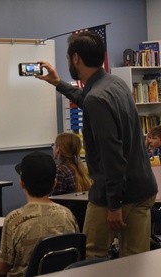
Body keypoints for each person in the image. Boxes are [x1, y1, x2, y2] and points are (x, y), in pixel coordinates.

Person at [37, 31, 158, 258]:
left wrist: (114, 205)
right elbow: (88, 99)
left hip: (115, 195)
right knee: (136, 261)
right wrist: (58, 83)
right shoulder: (115, 83)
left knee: (92, 257)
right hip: (142, 189)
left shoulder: (96, 98)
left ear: (76, 59)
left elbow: (112, 156)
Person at [0, 152, 79, 276]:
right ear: (54, 183)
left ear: (22, 183)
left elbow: (3, 268)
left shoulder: (13, 219)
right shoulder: (67, 215)